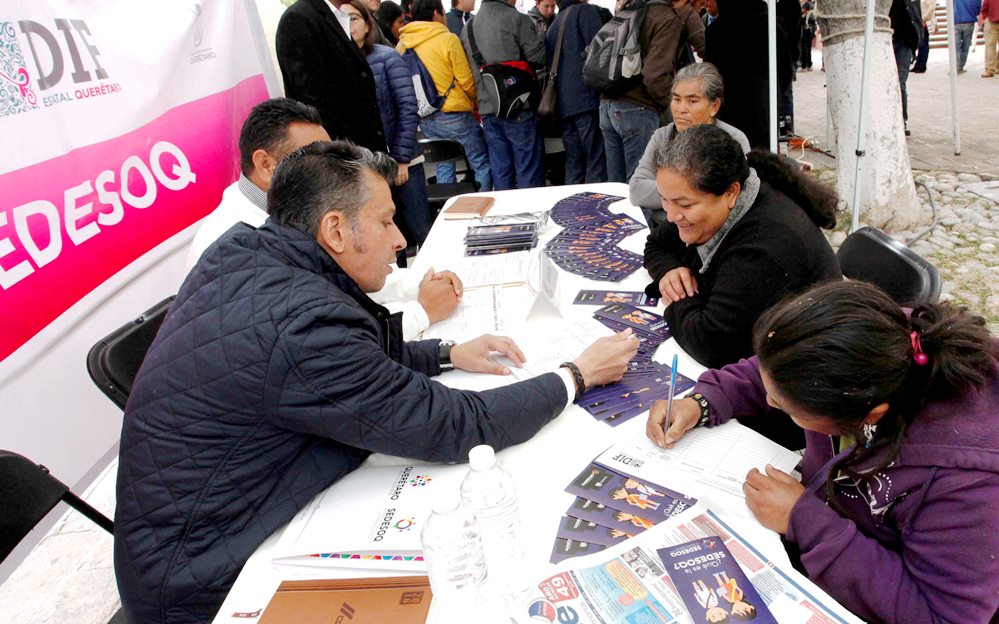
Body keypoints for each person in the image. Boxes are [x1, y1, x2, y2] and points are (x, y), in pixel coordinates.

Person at [114, 140, 639, 624]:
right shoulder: (302, 326)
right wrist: (576, 375)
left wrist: (445, 353)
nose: (400, 239)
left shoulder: (247, 253)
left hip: (201, 530)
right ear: (336, 231)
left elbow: (350, 360)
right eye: (386, 221)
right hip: (203, 581)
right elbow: (454, 425)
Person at [646, 280, 999, 623]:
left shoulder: (967, 486)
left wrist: (804, 521)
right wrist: (703, 401)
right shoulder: (885, 344)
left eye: (783, 406)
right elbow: (779, 371)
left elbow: (941, 615)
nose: (769, 400)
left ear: (866, 417)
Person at [187, 98, 461, 341]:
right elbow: (323, 338)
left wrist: (420, 283)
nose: (332, 170)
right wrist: (420, 313)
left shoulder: (296, 211)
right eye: (312, 157)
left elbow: (351, 276)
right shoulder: (231, 245)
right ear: (267, 165)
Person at [642, 125, 840, 372]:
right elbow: (656, 243)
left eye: (684, 204)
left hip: (805, 370)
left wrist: (677, 297)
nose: (671, 215)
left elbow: (711, 345)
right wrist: (669, 271)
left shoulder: (764, 246)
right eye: (664, 199)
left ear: (731, 193)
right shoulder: (708, 200)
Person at [344, 1, 433, 247]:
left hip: (403, 161)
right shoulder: (342, 62)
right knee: (384, 236)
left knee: (421, 230)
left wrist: (401, 159)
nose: (349, 25)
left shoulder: (387, 57)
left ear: (367, 23)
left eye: (354, 18)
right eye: (343, 19)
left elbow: (408, 108)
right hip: (369, 165)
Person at [629, 62, 750, 227]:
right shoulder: (662, 136)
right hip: (666, 227)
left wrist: (669, 193)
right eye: (676, 99)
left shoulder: (733, 140)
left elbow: (740, 196)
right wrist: (693, 194)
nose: (681, 109)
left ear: (714, 107)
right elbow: (637, 190)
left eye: (692, 101)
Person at [599, 0, 705, 183]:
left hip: (608, 104)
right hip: (638, 106)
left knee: (617, 188)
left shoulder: (632, 8)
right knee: (641, 186)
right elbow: (654, 76)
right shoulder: (668, 17)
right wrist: (672, 104)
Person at [398, 0, 493, 192]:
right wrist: (475, 99)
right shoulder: (447, 39)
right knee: (481, 163)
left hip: (425, 116)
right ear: (436, 13)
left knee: (443, 163)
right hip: (454, 115)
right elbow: (466, 81)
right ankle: (480, 205)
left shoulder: (402, 44)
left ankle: (448, 204)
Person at [276, 0, 387, 153]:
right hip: (342, 156)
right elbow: (314, 102)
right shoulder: (298, 18)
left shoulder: (336, 16)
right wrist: (349, 158)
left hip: (364, 152)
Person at [461, 0, 547, 190]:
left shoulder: (468, 28)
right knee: (528, 171)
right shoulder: (518, 19)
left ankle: (505, 209)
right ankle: (530, 209)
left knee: (501, 172)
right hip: (519, 106)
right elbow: (538, 59)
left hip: (488, 109)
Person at [546, 0, 607, 185]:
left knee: (574, 162)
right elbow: (600, 52)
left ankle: (574, 200)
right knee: (596, 159)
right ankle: (595, 200)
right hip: (587, 99)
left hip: (564, 105)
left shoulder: (554, 24)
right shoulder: (585, 12)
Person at [890, 0, 923, 137]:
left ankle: (901, 120)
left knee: (900, 82)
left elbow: (916, 16)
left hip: (904, 42)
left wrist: (915, 39)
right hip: (887, 38)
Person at [955, 0, 984, 73]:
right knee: (966, 46)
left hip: (956, 21)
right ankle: (960, 66)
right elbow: (979, 9)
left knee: (956, 46)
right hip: (969, 21)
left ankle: (956, 66)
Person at [910, 0, 936, 73]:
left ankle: (922, 66)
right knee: (920, 44)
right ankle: (918, 64)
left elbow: (931, 8)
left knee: (924, 44)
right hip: (919, 21)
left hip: (925, 22)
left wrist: (923, 18)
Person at [983, 0, 999, 77]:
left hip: (991, 21)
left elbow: (985, 5)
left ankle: (990, 69)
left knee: (990, 46)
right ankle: (997, 66)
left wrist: (984, 16)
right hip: (992, 19)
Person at [799, 2, 816, 71]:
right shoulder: (812, 15)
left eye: (803, 8)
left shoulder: (804, 16)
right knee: (808, 49)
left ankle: (804, 66)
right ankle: (809, 65)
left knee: (804, 49)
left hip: (805, 33)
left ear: (805, 8)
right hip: (810, 34)